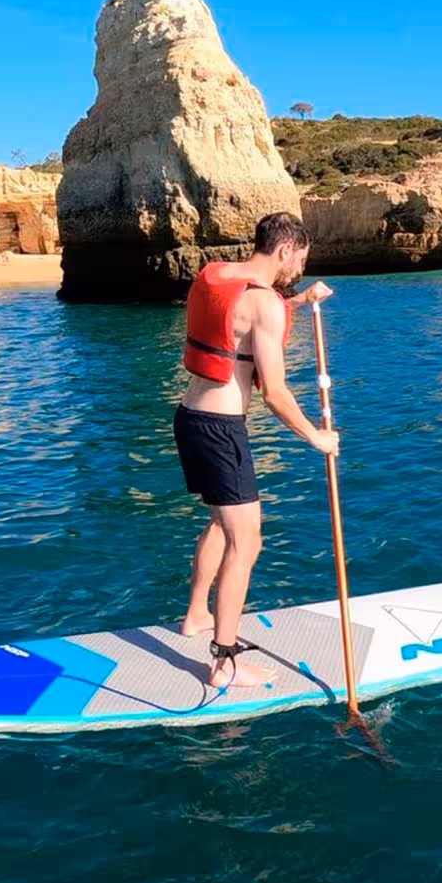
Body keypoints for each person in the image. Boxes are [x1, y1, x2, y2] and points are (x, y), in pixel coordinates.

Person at [174, 211, 339, 689]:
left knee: (222, 525)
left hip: (191, 418)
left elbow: (250, 316)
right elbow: (276, 393)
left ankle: (196, 615)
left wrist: (300, 300)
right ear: (285, 249)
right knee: (248, 542)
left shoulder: (223, 277)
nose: (298, 270)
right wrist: (316, 437)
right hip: (222, 429)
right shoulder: (265, 302)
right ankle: (223, 661)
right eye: (300, 260)